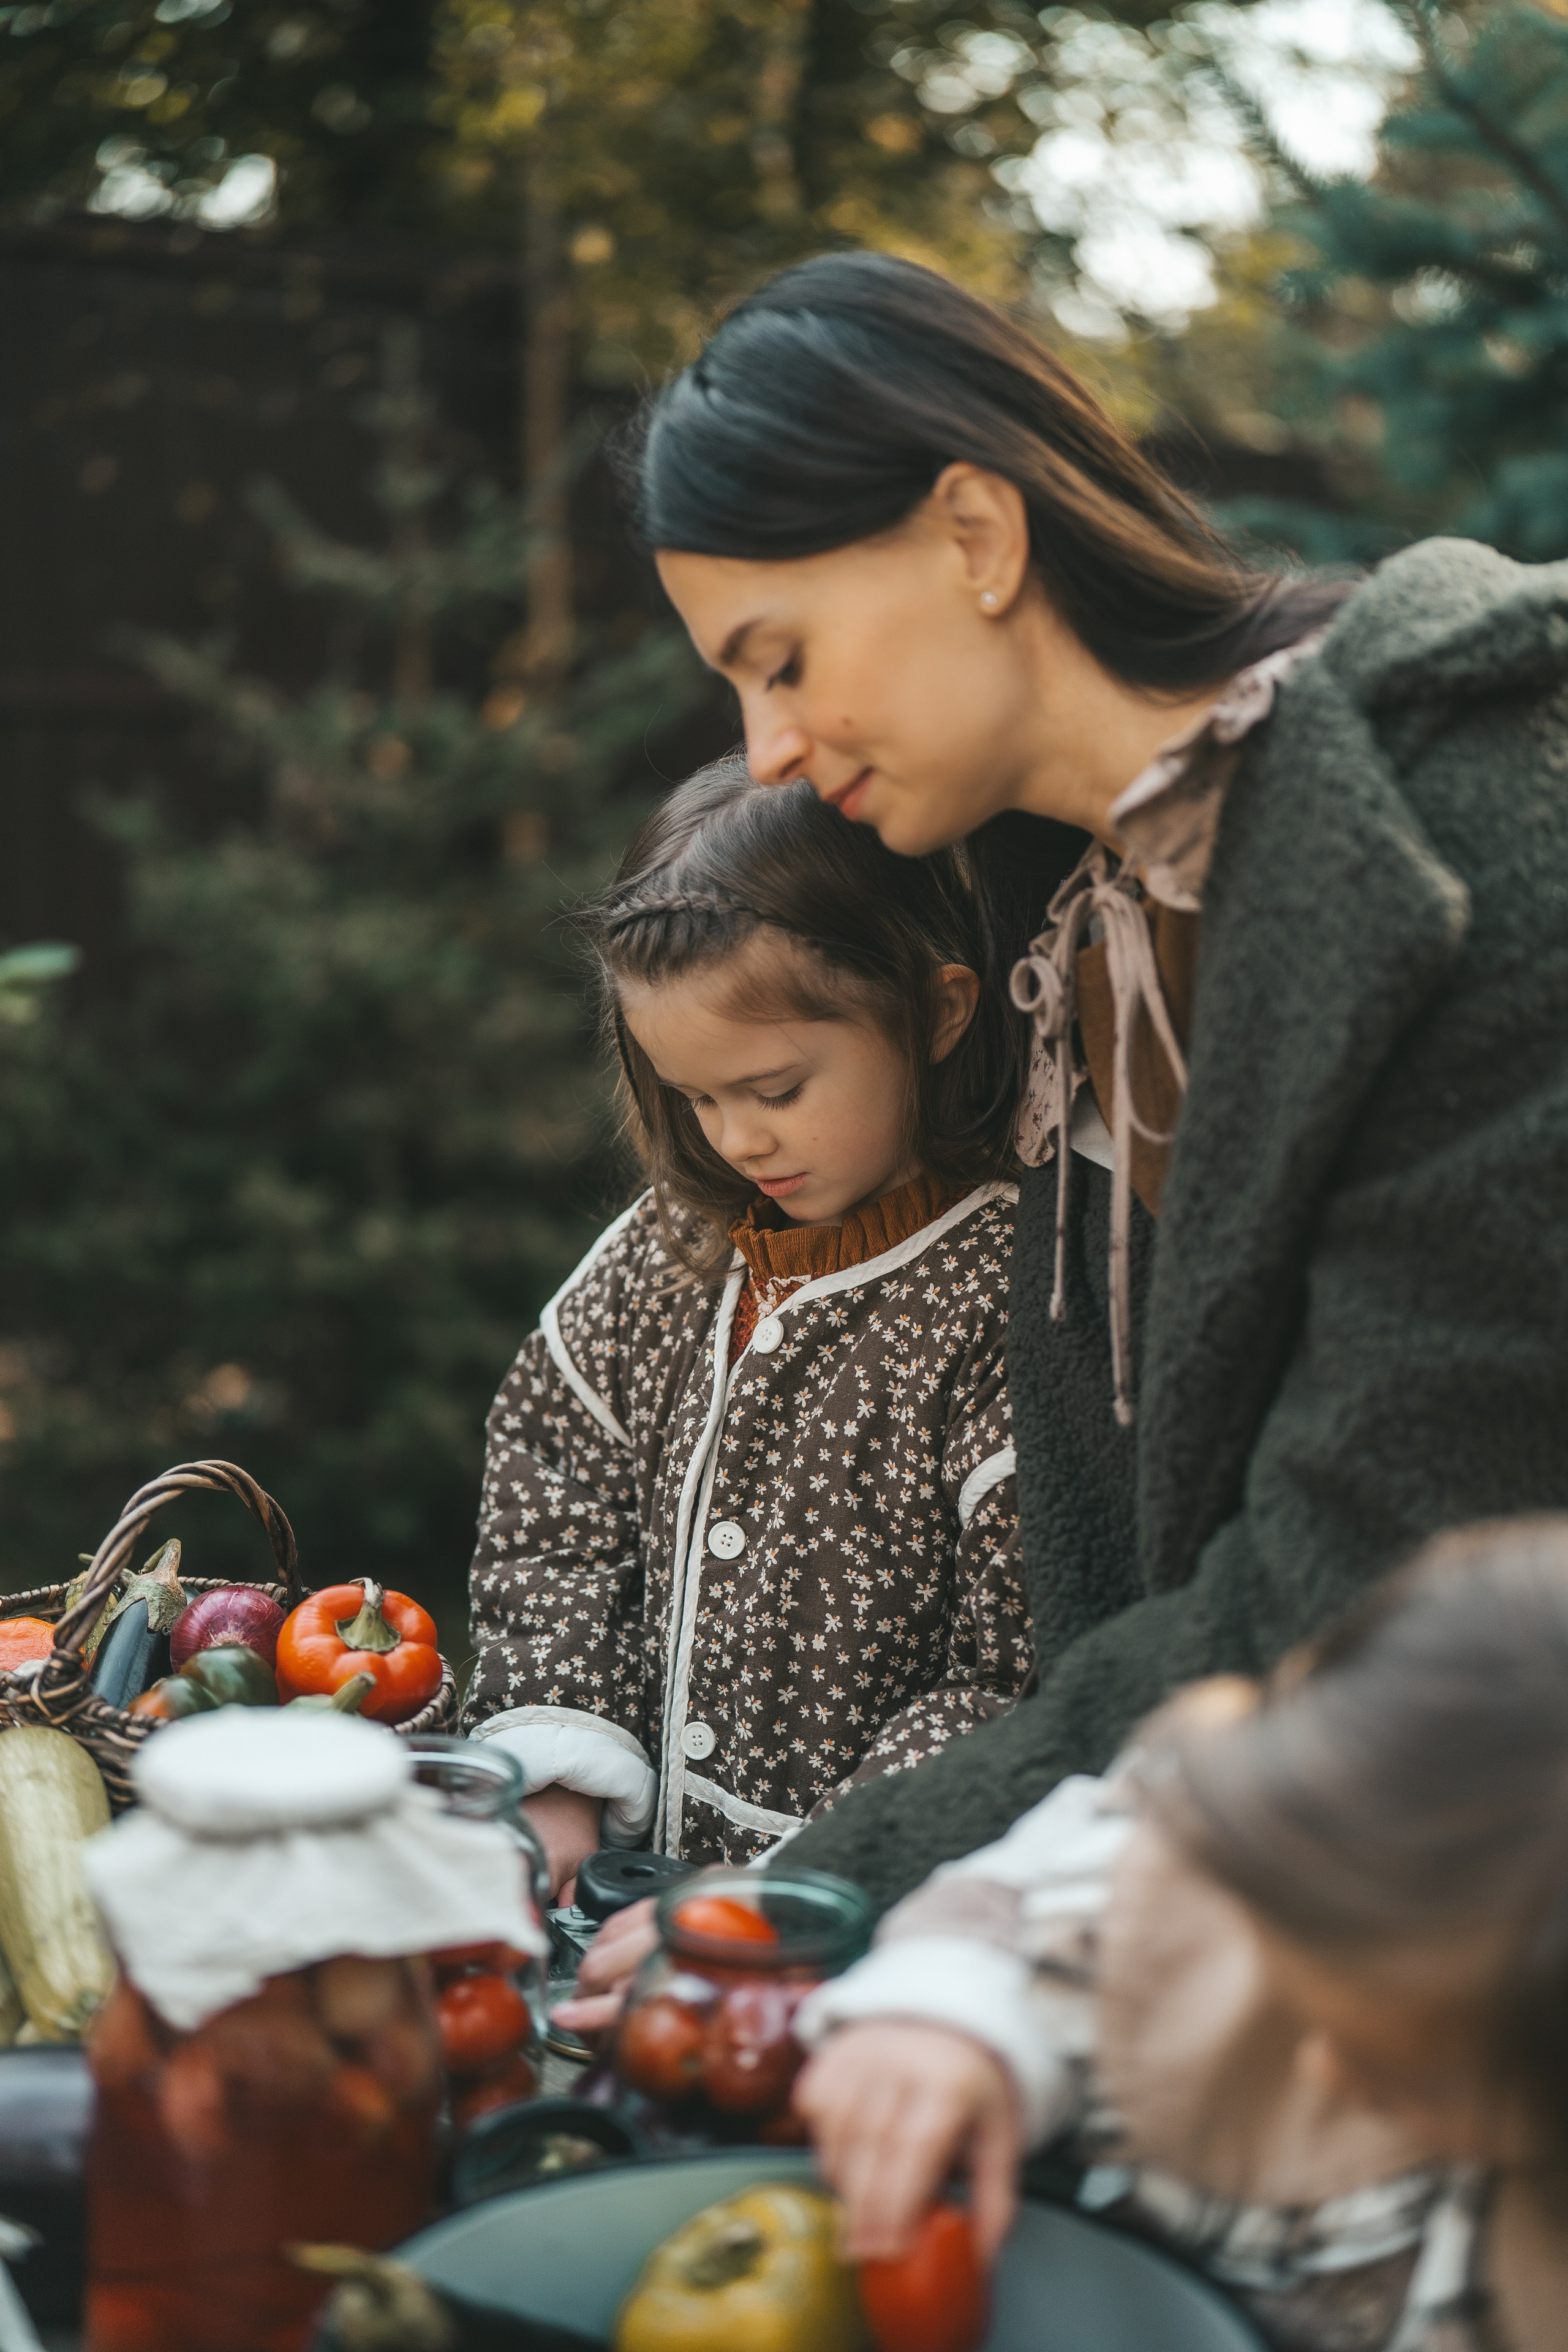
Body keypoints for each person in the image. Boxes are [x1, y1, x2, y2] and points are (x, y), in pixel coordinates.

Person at [625, 246, 1568, 1914]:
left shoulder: (1475, 829)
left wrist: (842, 1892)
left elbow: (1360, 1590)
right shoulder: (1075, 925)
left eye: (781, 659)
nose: (762, 748)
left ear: (978, 537)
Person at [461, 753, 1035, 1904]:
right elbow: (554, 1504)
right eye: (696, 1096)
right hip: (618, 1913)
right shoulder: (665, 1254)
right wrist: (563, 1762)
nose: (738, 1141)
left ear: (938, 1010)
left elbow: (1010, 1677)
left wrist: (811, 1883)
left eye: (776, 1090)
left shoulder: (1006, 1301)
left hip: (853, 1943)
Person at [795, 1517, 1568, 2352]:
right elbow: (1069, 1883)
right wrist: (952, 2017)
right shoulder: (1247, 1862)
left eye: (1400, 2073)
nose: (1322, 2065)